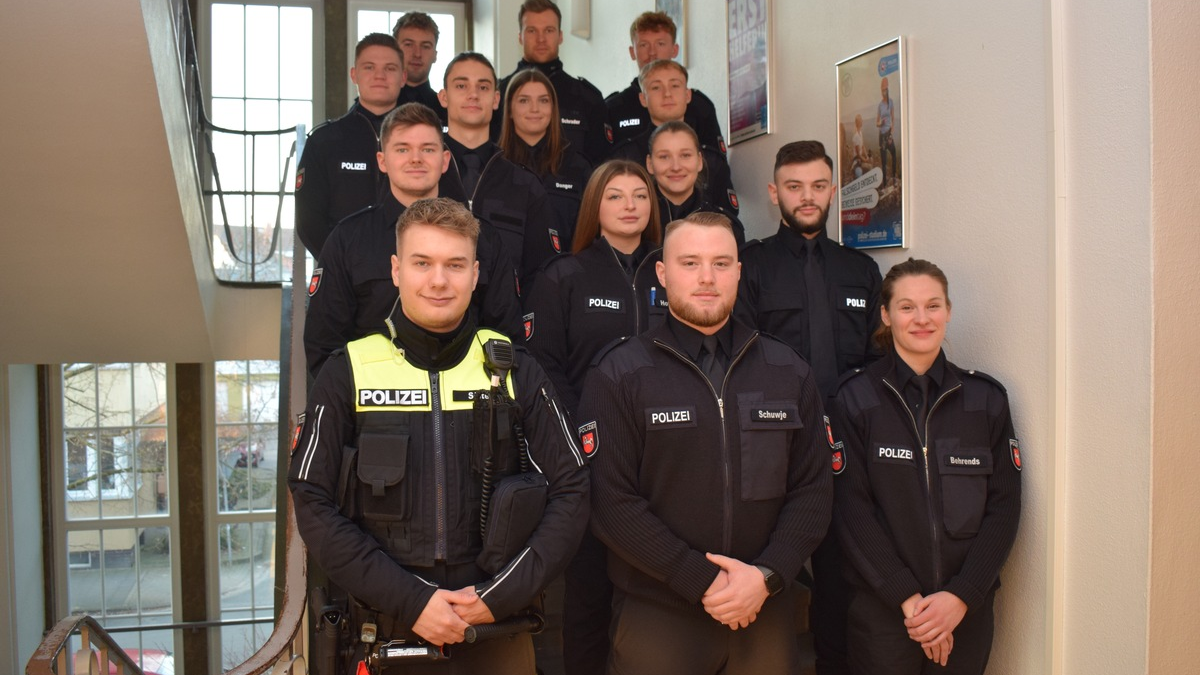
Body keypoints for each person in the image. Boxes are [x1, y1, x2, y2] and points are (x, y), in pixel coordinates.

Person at [289, 197, 589, 675]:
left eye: (455, 264)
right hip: (389, 630)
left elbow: (573, 488)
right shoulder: (347, 371)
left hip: (496, 626)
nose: (438, 280)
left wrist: (498, 596)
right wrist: (414, 601)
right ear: (395, 270)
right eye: (422, 263)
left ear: (475, 273)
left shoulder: (515, 370)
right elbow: (311, 498)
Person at [578, 212, 832, 674]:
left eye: (721, 263)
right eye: (690, 262)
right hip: (660, 609)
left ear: (739, 271)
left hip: (763, 607)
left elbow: (813, 491)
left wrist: (767, 575)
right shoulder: (620, 374)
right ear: (663, 273)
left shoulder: (787, 370)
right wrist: (700, 580)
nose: (706, 278)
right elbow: (610, 502)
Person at [829, 258, 1021, 674]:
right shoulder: (855, 399)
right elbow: (852, 511)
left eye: (933, 306)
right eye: (907, 307)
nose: (921, 319)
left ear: (949, 311)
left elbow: (1003, 509)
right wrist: (912, 603)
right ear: (885, 314)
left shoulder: (986, 400)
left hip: (965, 612)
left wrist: (961, 597)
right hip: (885, 612)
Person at [736, 140, 882, 675]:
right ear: (775, 193)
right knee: (770, 567)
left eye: (818, 186)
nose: (807, 197)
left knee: (842, 575)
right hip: (778, 443)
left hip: (849, 444)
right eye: (794, 187)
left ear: (832, 191)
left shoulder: (862, 271)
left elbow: (874, 360)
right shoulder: (750, 266)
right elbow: (744, 360)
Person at [521, 160, 663, 675]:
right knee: (587, 595)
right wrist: (576, 435)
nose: (630, 206)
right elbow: (542, 365)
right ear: (594, 207)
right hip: (588, 456)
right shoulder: (565, 274)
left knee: (656, 594)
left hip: (664, 453)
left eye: (640, 196)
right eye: (616, 196)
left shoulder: (674, 273)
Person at [304, 103, 522, 380]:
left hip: (468, 406)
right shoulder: (348, 239)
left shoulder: (482, 237)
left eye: (428, 149)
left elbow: (507, 337)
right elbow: (323, 345)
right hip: (376, 408)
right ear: (382, 161)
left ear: (445, 160)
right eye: (402, 149)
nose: (416, 159)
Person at [437, 53, 561, 294]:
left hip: (503, 324)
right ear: (443, 97)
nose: (473, 94)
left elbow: (542, 273)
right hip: (430, 316)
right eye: (461, 85)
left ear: (495, 99)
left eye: (483, 87)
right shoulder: (422, 175)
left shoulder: (524, 185)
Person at [295, 33, 404, 258]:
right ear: (354, 74)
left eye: (390, 68)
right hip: (343, 275)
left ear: (403, 77)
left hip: (413, 273)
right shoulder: (324, 141)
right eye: (369, 67)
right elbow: (309, 222)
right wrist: (342, 266)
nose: (380, 75)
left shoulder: (425, 140)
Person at [611, 60, 739, 216]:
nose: (667, 94)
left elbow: (728, 221)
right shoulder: (626, 157)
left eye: (675, 86)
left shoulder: (712, 161)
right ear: (643, 99)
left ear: (687, 95)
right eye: (656, 87)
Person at [493, 0, 610, 166]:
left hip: (572, 189)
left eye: (549, 30)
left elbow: (601, 167)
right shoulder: (500, 95)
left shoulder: (586, 98)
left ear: (560, 36)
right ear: (520, 37)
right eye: (532, 31)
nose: (541, 39)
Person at [498, 68, 593, 253]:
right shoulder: (495, 166)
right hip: (508, 276)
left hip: (565, 274)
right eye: (524, 100)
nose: (535, 109)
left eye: (543, 100)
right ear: (509, 109)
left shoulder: (578, 167)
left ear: (553, 108)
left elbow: (589, 233)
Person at [605, 11, 724, 150]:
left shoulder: (698, 106)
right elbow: (604, 166)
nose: (652, 53)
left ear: (674, 50)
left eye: (660, 44)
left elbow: (717, 166)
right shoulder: (614, 108)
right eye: (643, 45)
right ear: (632, 52)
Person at [646, 121, 744, 245]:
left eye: (685, 155)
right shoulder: (634, 221)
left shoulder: (726, 226)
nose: (676, 167)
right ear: (650, 164)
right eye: (664, 157)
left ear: (699, 161)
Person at [392, 12, 448, 126]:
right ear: (395, 52)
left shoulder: (448, 110)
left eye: (425, 46)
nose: (417, 54)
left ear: (435, 55)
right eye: (408, 44)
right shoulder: (378, 106)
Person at [876, 76, 897, 187]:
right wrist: (881, 123)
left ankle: (893, 178)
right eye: (882, 90)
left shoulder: (891, 102)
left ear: (887, 90)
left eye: (885, 89)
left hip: (888, 133)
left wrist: (892, 130)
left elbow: (893, 118)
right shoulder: (880, 105)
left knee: (894, 153)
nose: (883, 92)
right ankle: (884, 184)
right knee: (883, 161)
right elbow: (876, 123)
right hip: (882, 135)